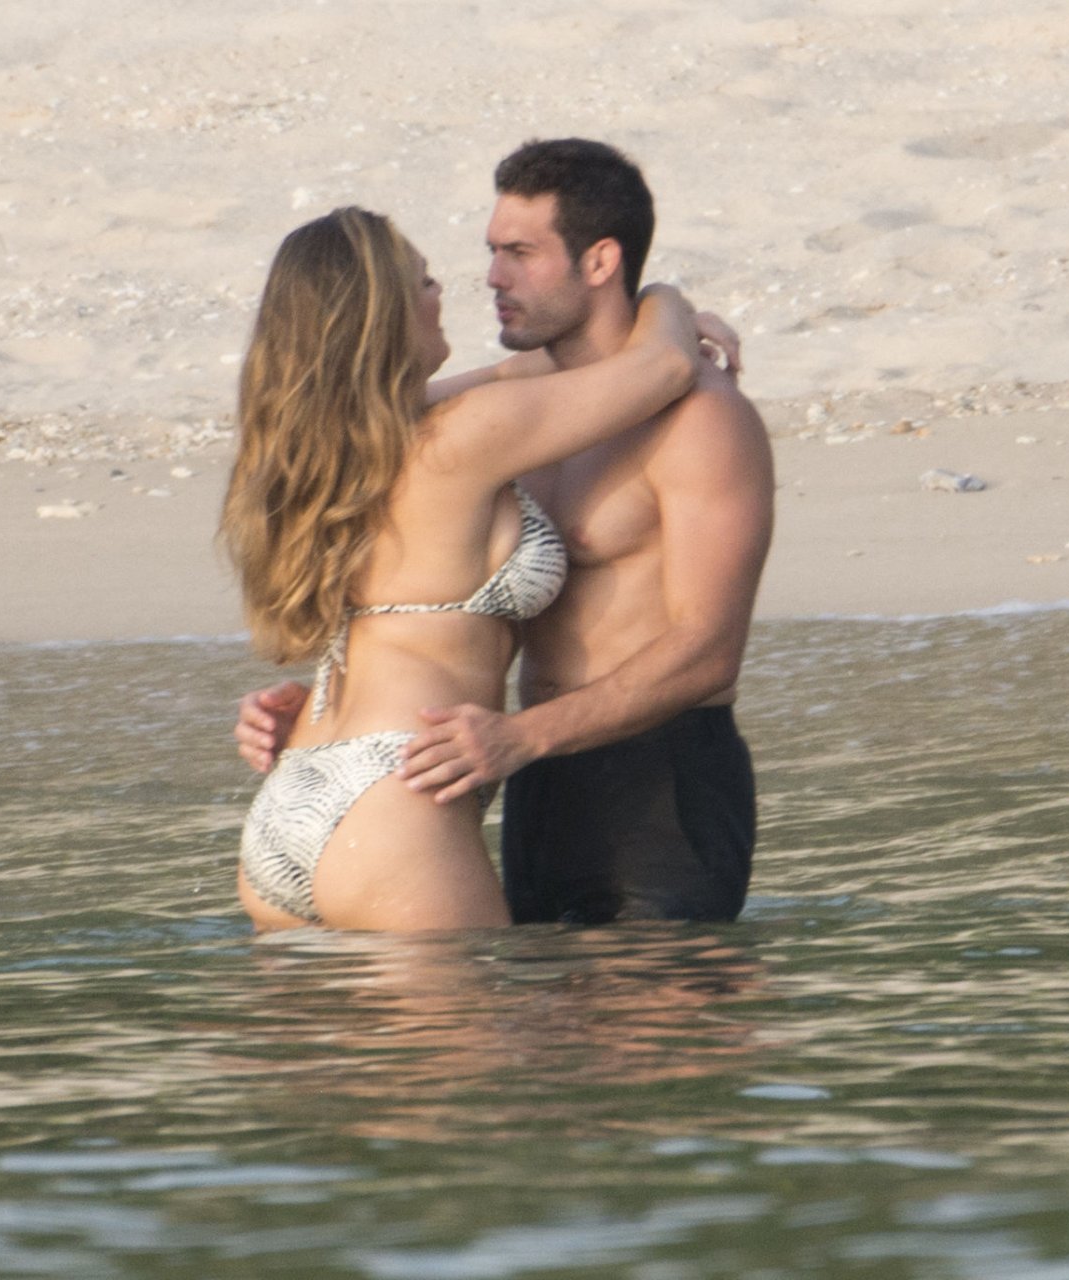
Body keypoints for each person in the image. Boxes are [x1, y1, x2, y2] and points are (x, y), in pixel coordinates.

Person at [237, 139, 774, 925]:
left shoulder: (692, 421)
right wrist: (669, 303)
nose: (489, 277)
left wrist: (522, 738)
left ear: (599, 262)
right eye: (488, 253)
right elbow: (644, 368)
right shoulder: (480, 429)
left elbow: (709, 651)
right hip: (470, 776)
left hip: (638, 783)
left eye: (518, 253)